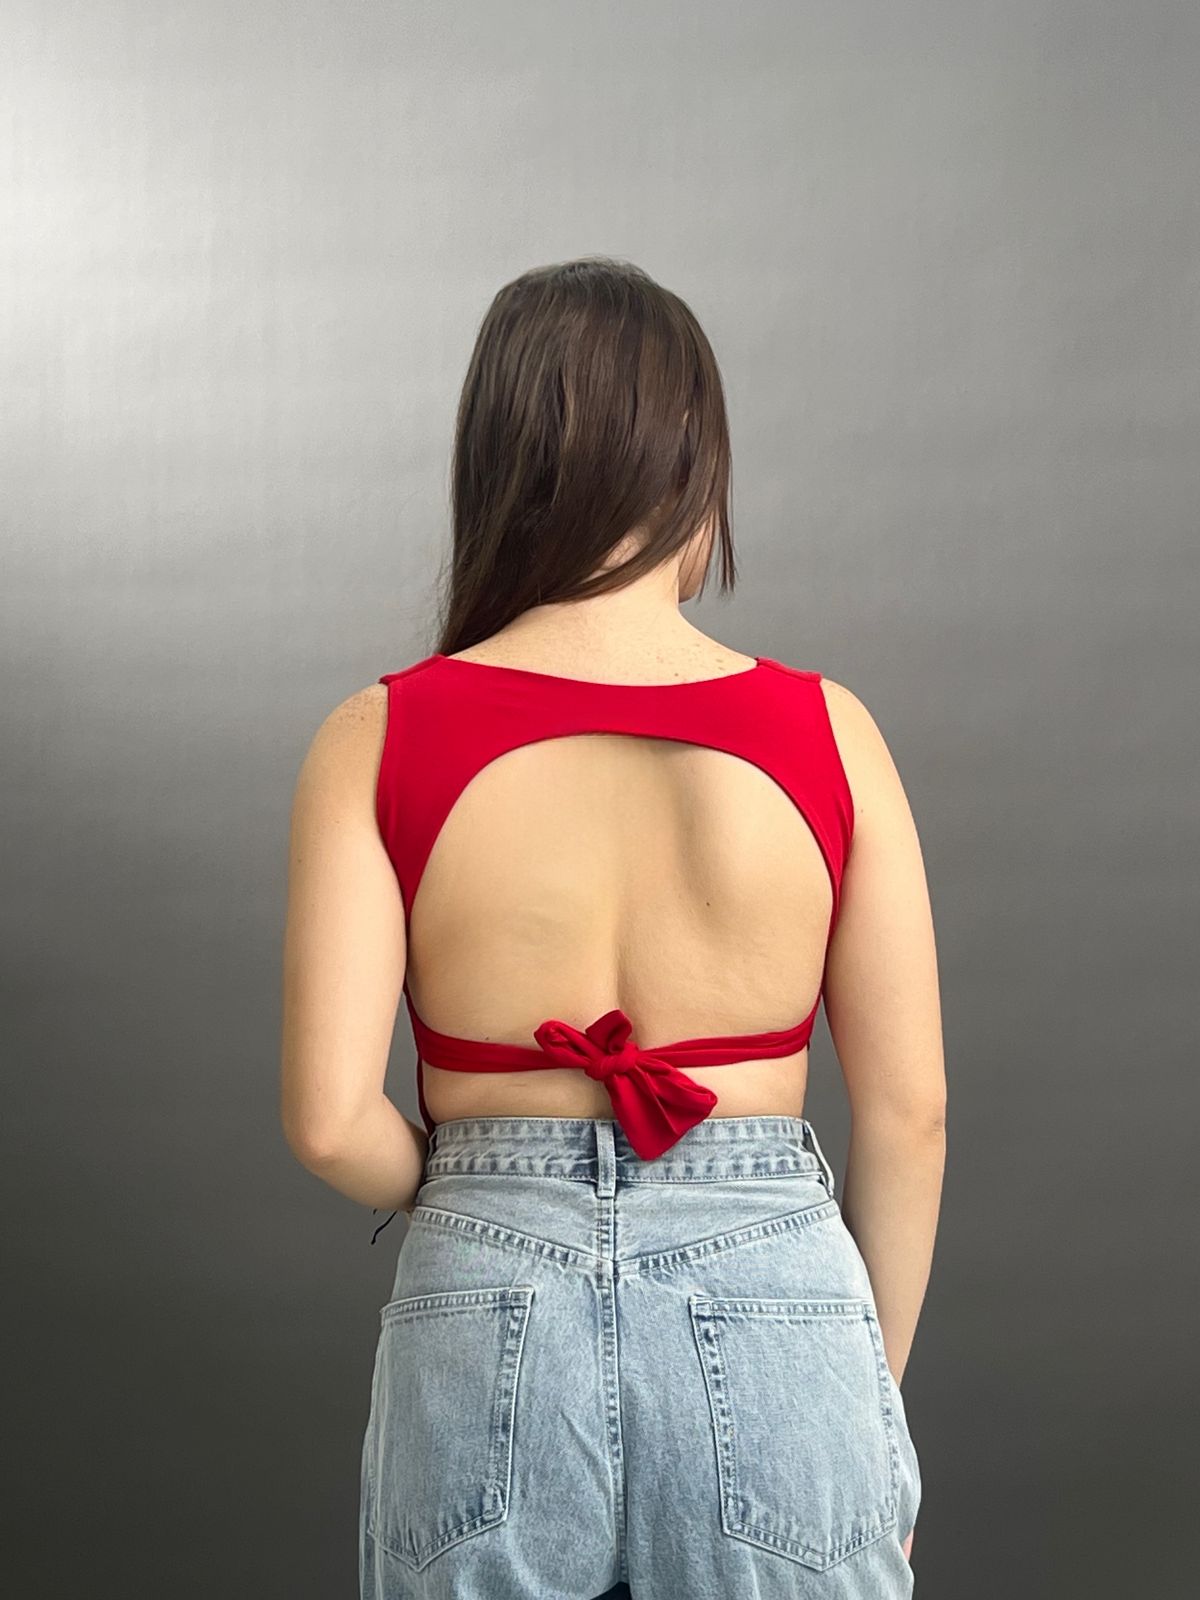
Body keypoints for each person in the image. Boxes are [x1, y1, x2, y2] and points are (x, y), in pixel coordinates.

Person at [281, 257, 946, 1599]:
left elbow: (330, 1122)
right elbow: (911, 1113)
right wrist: (862, 1410)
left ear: (496, 462)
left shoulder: (379, 734)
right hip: (775, 1295)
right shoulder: (830, 734)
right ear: (696, 463)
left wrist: (487, 1189)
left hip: (483, 1289)